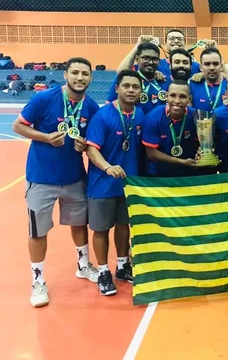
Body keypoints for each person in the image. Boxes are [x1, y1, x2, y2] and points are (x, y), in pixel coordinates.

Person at [12, 57, 100, 308]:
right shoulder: (44, 99)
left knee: (79, 224)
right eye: (75, 72)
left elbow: (90, 140)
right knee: (38, 231)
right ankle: (37, 281)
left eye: (85, 73)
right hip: (41, 178)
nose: (80, 77)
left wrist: (84, 145)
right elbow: (18, 125)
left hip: (74, 177)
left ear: (91, 78)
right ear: (65, 75)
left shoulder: (91, 106)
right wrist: (45, 137)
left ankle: (83, 266)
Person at [85, 70, 144, 296]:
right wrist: (108, 167)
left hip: (129, 185)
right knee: (101, 230)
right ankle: (102, 271)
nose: (131, 90)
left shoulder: (141, 116)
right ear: (117, 88)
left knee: (123, 227)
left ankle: (122, 266)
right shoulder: (103, 116)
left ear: (140, 91)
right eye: (126, 86)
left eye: (135, 87)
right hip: (102, 185)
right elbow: (91, 150)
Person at [142, 80, 200, 177]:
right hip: (159, 174)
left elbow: (203, 143)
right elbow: (151, 153)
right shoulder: (152, 118)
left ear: (189, 99)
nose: (177, 101)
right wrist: (181, 162)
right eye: (173, 95)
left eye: (182, 96)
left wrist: (201, 151)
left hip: (188, 173)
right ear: (166, 97)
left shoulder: (197, 117)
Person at [107, 42, 168, 114]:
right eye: (146, 58)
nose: (151, 62)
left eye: (155, 59)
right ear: (137, 59)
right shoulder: (125, 81)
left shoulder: (164, 81)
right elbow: (109, 107)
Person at [189, 47, 228, 114]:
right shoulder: (192, 85)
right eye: (207, 64)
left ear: (221, 66)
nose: (212, 68)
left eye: (215, 64)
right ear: (201, 68)